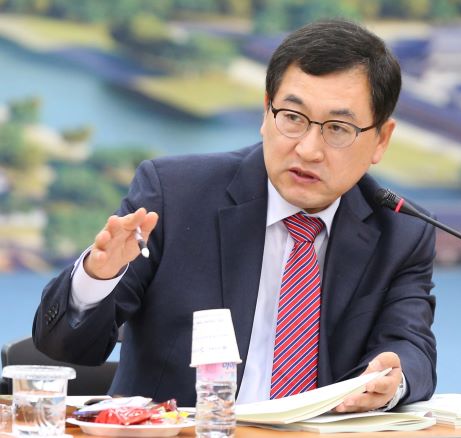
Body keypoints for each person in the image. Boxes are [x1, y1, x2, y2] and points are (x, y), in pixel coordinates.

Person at [33, 18, 436, 411]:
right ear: (266, 112)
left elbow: (410, 345)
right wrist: (98, 277)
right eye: (292, 118)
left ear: (381, 140)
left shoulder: (402, 233)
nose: (308, 149)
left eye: (337, 128)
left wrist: (394, 379)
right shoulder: (175, 195)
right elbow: (65, 345)